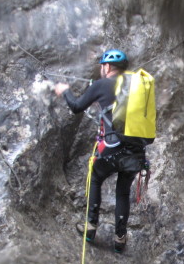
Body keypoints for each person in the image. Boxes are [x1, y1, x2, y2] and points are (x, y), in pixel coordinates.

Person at [54, 49, 147, 253]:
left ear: (106, 67)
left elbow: (77, 106)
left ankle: (90, 227)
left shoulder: (101, 84)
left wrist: (64, 91)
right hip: (135, 152)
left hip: (112, 149)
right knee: (122, 192)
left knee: (96, 177)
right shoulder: (138, 88)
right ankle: (120, 239)